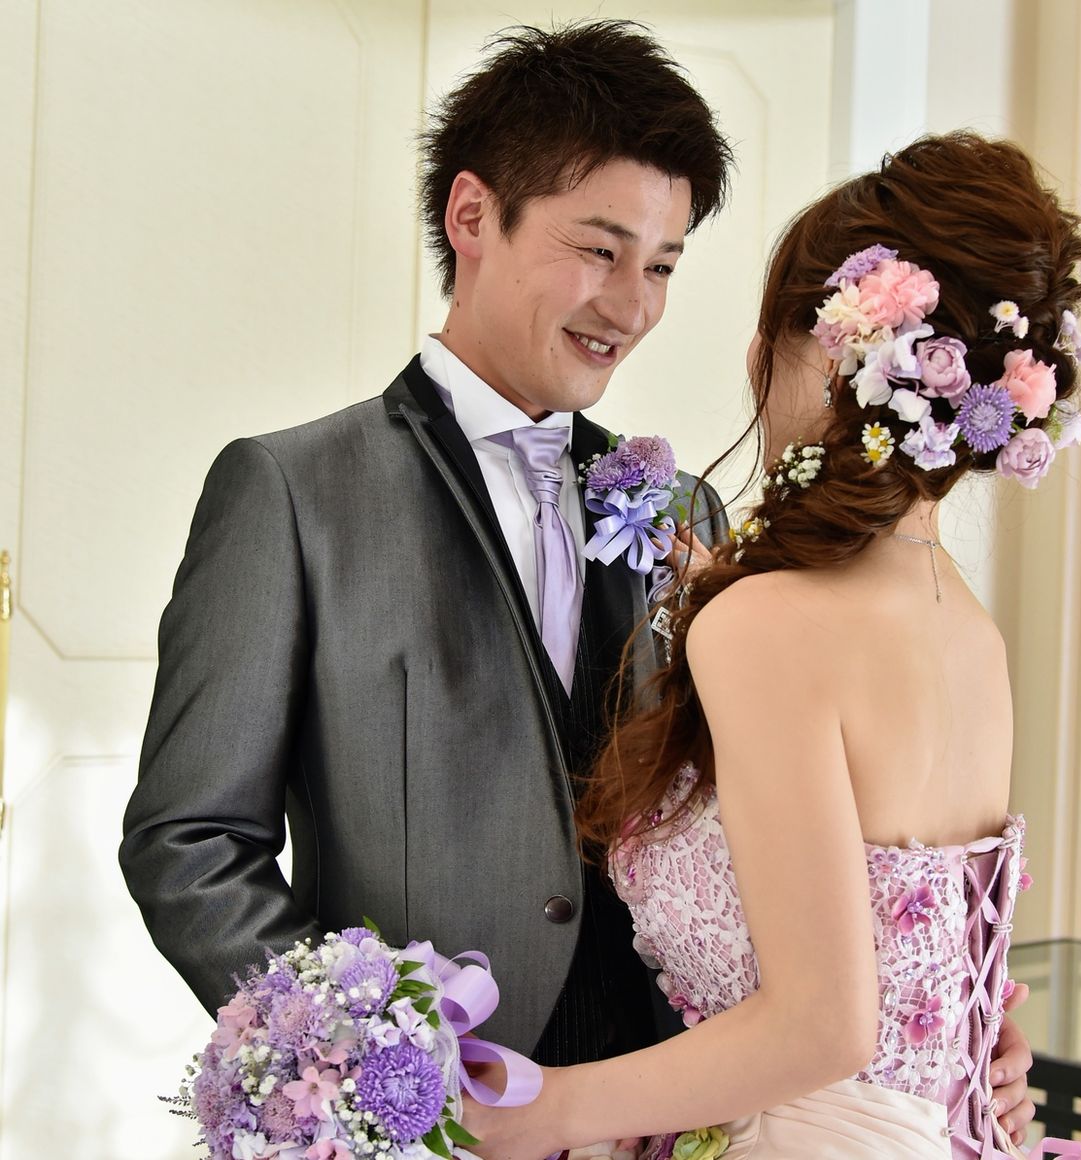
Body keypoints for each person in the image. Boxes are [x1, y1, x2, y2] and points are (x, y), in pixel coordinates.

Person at [459, 132, 1081, 1159]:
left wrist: (536, 1110)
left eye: (773, 330)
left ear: (832, 350)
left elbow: (823, 1026)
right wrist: (978, 1049)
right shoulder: (965, 625)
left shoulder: (768, 623)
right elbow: (925, 980)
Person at [120, 20, 731, 1069]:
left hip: (670, 1105)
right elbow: (191, 843)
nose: (632, 306)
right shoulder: (291, 494)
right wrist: (370, 1068)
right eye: (599, 250)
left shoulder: (686, 515)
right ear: (472, 215)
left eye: (662, 265)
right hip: (437, 1118)